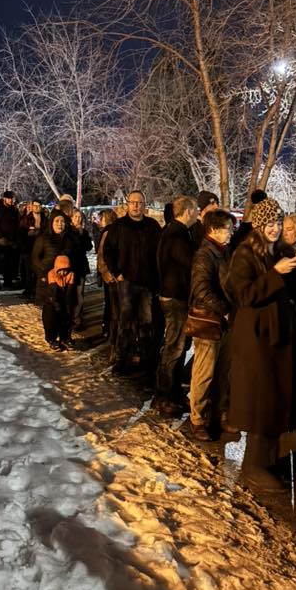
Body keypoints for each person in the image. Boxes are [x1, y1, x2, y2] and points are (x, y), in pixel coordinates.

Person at [225, 197, 296, 474]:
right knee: (262, 402)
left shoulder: (281, 250)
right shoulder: (245, 254)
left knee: (275, 400)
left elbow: (290, 292)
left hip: (281, 338)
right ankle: (257, 466)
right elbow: (245, 295)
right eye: (270, 223)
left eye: (278, 222)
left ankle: (269, 461)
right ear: (259, 225)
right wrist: (276, 273)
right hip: (258, 339)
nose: (275, 228)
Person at [188, 209, 236, 442]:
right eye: (227, 228)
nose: (230, 232)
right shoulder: (205, 255)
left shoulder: (223, 252)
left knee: (223, 370)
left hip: (224, 321)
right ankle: (197, 418)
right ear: (213, 230)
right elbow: (201, 289)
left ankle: (218, 414)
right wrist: (225, 310)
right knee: (204, 372)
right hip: (209, 320)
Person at [103, 189, 162, 375]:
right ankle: (122, 359)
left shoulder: (152, 226)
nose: (136, 206)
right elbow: (108, 251)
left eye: (140, 203)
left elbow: (159, 254)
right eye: (133, 202)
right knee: (125, 320)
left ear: (144, 206)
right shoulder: (119, 226)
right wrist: (117, 273)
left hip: (147, 283)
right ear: (127, 204)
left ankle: (144, 359)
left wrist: (157, 278)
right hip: (126, 281)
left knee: (146, 321)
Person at [153, 195, 198, 414]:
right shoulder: (178, 236)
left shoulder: (173, 232)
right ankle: (162, 397)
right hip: (175, 298)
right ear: (188, 211)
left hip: (171, 296)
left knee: (179, 346)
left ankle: (172, 393)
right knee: (174, 347)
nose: (198, 214)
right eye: (196, 210)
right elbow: (191, 265)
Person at [31, 212, 77, 306]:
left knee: (65, 306)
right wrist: (42, 272)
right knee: (49, 309)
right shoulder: (43, 238)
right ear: (51, 223)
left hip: (65, 279)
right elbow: (35, 258)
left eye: (62, 221)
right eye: (57, 221)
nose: (60, 224)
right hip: (47, 278)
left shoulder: (70, 239)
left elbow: (75, 257)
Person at [41, 255, 77, 351]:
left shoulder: (71, 275)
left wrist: (68, 305)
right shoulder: (51, 274)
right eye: (61, 270)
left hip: (64, 300)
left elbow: (70, 292)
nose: (64, 272)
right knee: (51, 320)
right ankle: (51, 339)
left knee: (67, 318)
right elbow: (53, 291)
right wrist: (57, 305)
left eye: (66, 270)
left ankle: (65, 337)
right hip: (51, 301)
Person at [96, 209, 119, 348]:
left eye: (102, 218)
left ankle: (109, 331)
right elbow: (101, 255)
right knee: (112, 305)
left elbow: (101, 255)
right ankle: (109, 331)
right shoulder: (108, 232)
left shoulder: (109, 232)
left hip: (111, 275)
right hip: (110, 275)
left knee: (111, 305)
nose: (100, 221)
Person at [0, 191, 20, 289]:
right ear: (4, 198)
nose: (11, 200)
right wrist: (1, 237)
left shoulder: (13, 209)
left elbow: (16, 224)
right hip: (0, 241)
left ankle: (8, 281)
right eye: (9, 198)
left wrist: (15, 239)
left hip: (11, 240)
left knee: (9, 263)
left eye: (12, 199)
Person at [18, 200, 47, 299]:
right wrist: (27, 234)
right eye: (35, 206)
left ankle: (37, 290)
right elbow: (20, 233)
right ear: (32, 206)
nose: (37, 207)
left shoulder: (45, 219)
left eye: (39, 205)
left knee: (38, 271)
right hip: (28, 248)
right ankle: (28, 290)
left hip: (41, 249)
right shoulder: (26, 219)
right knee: (28, 271)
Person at [70, 209, 93, 328]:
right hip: (71, 266)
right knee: (72, 293)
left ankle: (77, 317)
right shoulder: (69, 232)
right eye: (75, 216)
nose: (78, 219)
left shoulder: (83, 232)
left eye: (80, 217)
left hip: (81, 266)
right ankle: (72, 317)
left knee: (80, 293)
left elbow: (88, 247)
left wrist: (83, 234)